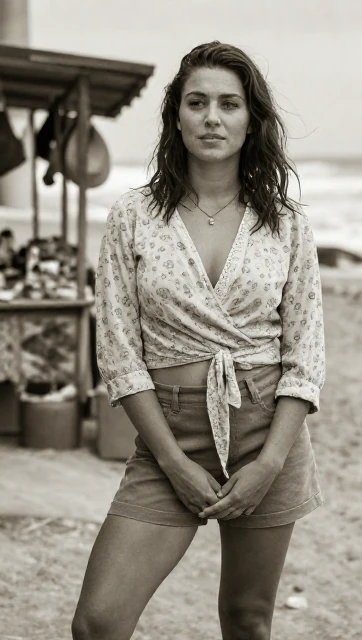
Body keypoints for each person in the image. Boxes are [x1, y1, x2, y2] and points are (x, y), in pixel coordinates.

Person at [74, 42, 326, 640]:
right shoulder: (133, 216)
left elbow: (305, 356)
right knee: (98, 623)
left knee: (247, 620)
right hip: (170, 436)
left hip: (267, 435)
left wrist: (269, 464)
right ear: (177, 117)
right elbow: (119, 353)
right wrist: (172, 461)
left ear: (251, 120)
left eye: (229, 104)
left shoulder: (287, 223)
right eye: (197, 102)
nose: (213, 117)